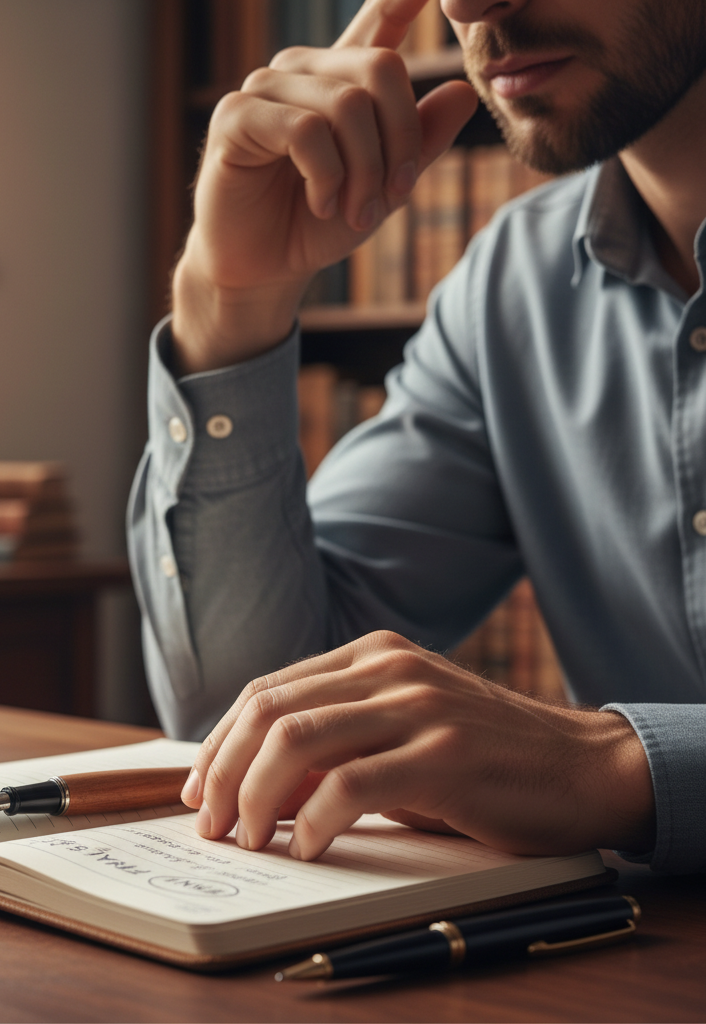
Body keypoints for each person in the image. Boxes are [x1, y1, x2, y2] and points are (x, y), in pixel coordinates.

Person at [127, 0, 706, 874]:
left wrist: (620, 769)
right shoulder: (513, 284)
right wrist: (230, 300)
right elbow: (258, 723)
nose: (466, 6)